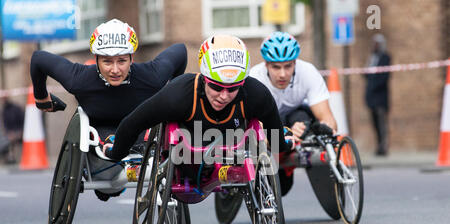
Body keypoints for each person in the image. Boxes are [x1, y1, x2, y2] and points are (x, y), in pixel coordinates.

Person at [30, 18, 187, 200]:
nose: (115, 70)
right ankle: (110, 179)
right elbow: (38, 59)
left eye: (121, 61)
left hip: (138, 130)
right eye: (107, 62)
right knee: (108, 183)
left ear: (131, 58)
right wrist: (41, 98)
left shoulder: (152, 76)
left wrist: (171, 91)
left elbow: (181, 51)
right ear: (96, 60)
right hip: (101, 134)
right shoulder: (79, 79)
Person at [103, 35, 292, 165]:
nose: (224, 96)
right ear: (204, 79)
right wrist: (116, 152)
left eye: (233, 88)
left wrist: (283, 143)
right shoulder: (179, 94)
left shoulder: (256, 93)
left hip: (231, 145)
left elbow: (277, 141)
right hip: (186, 155)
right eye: (217, 87)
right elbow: (133, 122)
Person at [249, 31, 337, 196]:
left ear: (295, 63)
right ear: (266, 64)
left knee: (302, 117)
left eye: (288, 66)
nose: (283, 74)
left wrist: (320, 129)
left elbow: (328, 118)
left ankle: (294, 155)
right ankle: (284, 154)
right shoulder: (255, 78)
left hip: (296, 116)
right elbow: (254, 125)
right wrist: (277, 138)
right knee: (282, 189)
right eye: (276, 67)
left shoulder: (308, 72)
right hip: (269, 124)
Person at [365, 33, 391, 156]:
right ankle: (378, 145)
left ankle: (383, 146)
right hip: (371, 97)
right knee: (374, 122)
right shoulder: (372, 58)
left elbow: (384, 77)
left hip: (380, 96)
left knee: (381, 122)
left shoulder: (385, 57)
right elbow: (366, 75)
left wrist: (374, 85)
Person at [1, 96, 25, 164]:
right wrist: (8, 133)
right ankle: (9, 158)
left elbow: (23, 122)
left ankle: (11, 157)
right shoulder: (4, 111)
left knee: (7, 141)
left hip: (19, 132)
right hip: (10, 133)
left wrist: (19, 132)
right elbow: (5, 125)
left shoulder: (16, 109)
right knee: (4, 141)